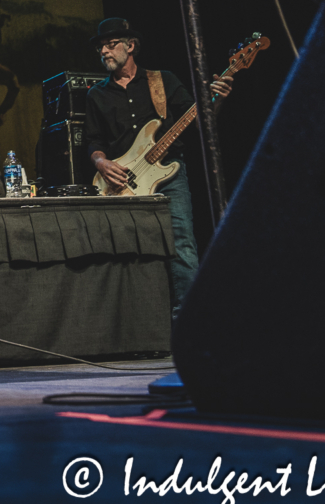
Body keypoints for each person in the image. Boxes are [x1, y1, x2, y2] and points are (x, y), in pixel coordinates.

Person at [83, 17, 230, 317]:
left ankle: (189, 322)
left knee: (182, 246)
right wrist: (102, 162)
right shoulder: (96, 94)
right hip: (121, 181)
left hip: (170, 173)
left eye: (110, 45)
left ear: (130, 46)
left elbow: (199, 117)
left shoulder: (162, 80)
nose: (104, 52)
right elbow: (92, 141)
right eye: (101, 47)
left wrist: (216, 100)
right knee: (128, 252)